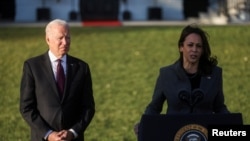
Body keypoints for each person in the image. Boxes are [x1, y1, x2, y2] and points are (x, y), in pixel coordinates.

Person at [134, 24, 230, 136]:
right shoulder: (166, 74)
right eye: (190, 45)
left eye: (199, 46)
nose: (194, 50)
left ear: (203, 50)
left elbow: (219, 107)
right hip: (173, 133)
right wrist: (144, 124)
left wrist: (234, 125)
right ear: (181, 47)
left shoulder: (215, 74)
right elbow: (155, 107)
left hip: (204, 133)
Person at [20, 19, 95, 141]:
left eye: (68, 37)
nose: (65, 42)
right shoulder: (32, 67)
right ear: (48, 39)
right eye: (60, 38)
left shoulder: (81, 68)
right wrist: (48, 134)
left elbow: (88, 107)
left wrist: (72, 132)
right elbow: (26, 107)